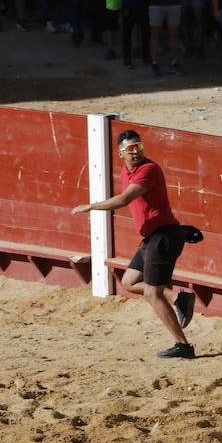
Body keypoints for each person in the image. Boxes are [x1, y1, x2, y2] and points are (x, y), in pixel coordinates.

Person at [70, 130, 197, 360]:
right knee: (129, 282)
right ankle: (178, 298)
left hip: (163, 237)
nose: (136, 152)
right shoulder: (125, 172)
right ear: (121, 153)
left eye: (139, 147)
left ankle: (183, 345)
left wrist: (90, 206)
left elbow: (124, 200)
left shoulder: (149, 169)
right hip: (152, 238)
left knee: (151, 293)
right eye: (130, 149)